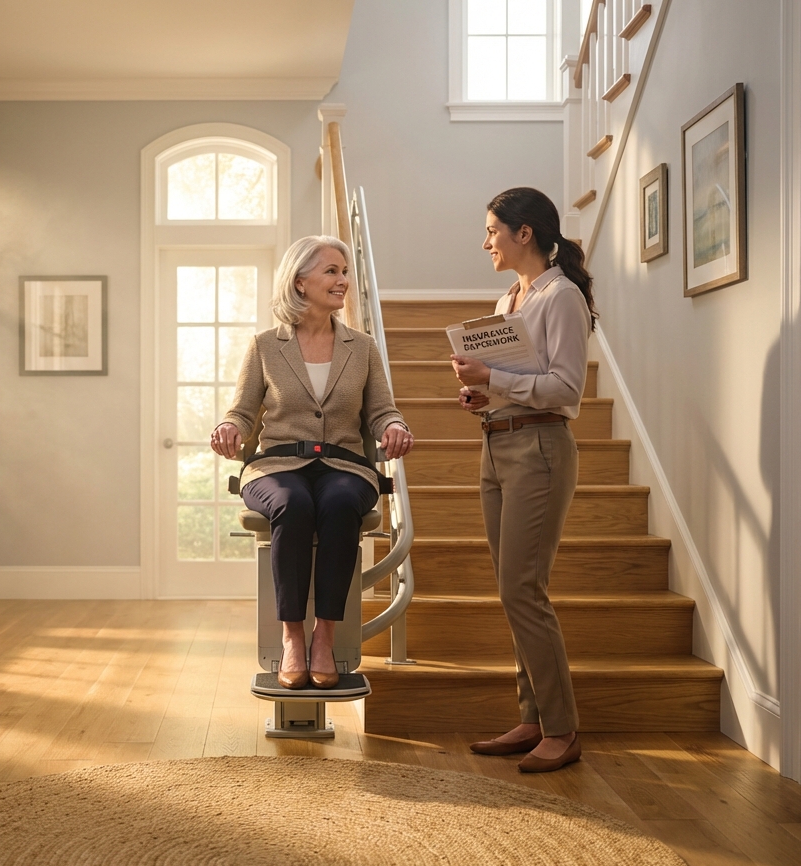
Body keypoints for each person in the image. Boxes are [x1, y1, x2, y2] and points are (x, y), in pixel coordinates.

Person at [210, 235, 414, 689]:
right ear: (300, 282)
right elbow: (242, 411)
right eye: (332, 271)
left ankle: (325, 636)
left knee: (342, 505)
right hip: (277, 466)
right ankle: (292, 638)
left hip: (346, 466)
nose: (343, 280)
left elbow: (383, 410)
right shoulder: (265, 345)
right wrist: (230, 429)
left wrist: (394, 428)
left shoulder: (361, 347)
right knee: (293, 505)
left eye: (345, 271)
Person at [452, 187, 597, 773]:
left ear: (525, 233)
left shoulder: (560, 298)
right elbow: (517, 376)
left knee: (522, 589)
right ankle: (532, 718)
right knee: (513, 590)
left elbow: (568, 390)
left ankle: (562, 728)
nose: (486, 241)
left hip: (539, 445)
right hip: (498, 444)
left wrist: (497, 379)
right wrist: (482, 390)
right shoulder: (509, 297)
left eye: (493, 230)